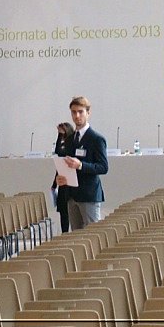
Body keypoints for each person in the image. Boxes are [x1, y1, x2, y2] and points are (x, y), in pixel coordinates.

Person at [55, 96, 109, 228]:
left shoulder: (96, 139)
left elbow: (103, 167)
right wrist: (61, 178)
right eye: (74, 112)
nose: (77, 115)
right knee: (77, 238)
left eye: (80, 112)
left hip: (89, 195)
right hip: (72, 195)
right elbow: (66, 164)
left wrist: (81, 165)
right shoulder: (70, 139)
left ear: (88, 113)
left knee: (92, 236)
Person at [52, 121, 74, 233]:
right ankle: (64, 233)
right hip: (62, 183)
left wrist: (61, 134)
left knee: (71, 211)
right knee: (63, 213)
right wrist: (54, 184)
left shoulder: (72, 144)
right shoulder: (62, 145)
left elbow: (60, 152)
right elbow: (57, 154)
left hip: (70, 183)